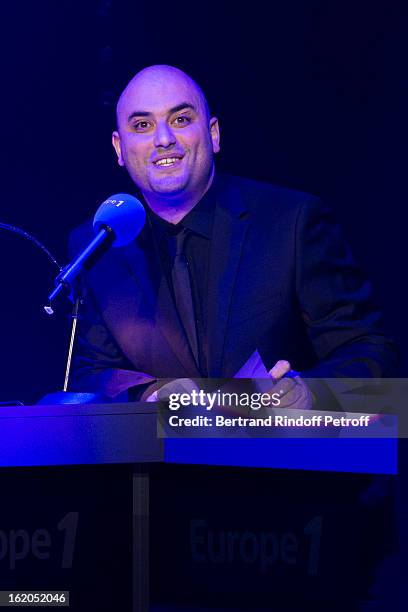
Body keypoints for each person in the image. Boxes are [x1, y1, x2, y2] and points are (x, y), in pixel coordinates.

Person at [69, 64, 397, 403]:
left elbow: (368, 349)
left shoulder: (293, 221)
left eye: (181, 120)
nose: (164, 139)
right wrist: (150, 393)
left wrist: (311, 393)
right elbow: (91, 374)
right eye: (143, 125)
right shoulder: (97, 244)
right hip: (159, 453)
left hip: (278, 450)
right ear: (119, 148)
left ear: (213, 134)